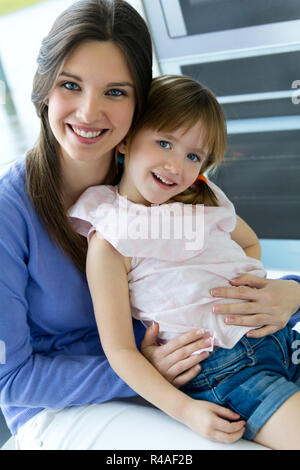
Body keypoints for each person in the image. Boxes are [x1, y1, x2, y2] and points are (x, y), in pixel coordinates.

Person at [0, 0, 299, 451]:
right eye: (70, 85)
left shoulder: (160, 181)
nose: (88, 112)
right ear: (43, 88)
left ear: (142, 103)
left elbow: (227, 258)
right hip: (65, 406)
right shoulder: (12, 213)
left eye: (115, 92)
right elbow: (12, 380)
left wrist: (291, 293)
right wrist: (146, 367)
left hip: (197, 361)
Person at [69, 74, 300, 449]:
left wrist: (248, 283)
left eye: (193, 156)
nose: (176, 166)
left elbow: (250, 243)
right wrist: (185, 411)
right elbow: (120, 351)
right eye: (164, 143)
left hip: (278, 336)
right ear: (126, 139)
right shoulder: (112, 236)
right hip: (226, 369)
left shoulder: (203, 199)